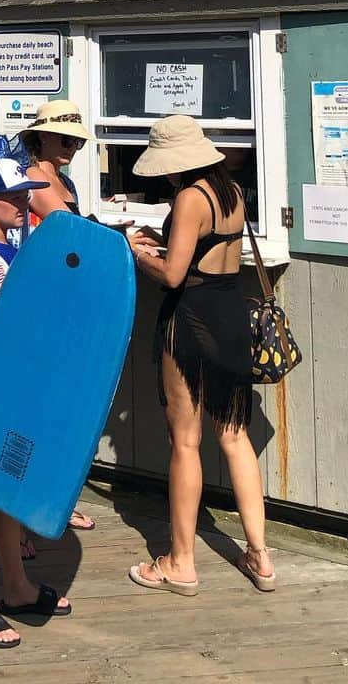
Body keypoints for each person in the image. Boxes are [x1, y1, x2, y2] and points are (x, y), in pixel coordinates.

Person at [124, 115, 275, 595]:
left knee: (185, 443)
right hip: (231, 314)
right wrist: (166, 248)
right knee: (234, 437)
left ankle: (180, 562)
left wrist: (136, 252)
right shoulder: (229, 190)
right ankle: (260, 555)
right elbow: (206, 254)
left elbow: (173, 276)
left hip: (191, 321)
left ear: (174, 165)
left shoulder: (189, 198)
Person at [0, 159, 71, 650]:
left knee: (6, 487)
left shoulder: (9, 246)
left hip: (14, 384)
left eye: (28, 194)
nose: (25, 203)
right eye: (16, 197)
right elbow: (18, 315)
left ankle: (18, 587)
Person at [20, 98, 98, 542]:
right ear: (41, 136)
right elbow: (71, 229)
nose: (71, 145)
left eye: (77, 139)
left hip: (66, 300)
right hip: (42, 302)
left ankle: (54, 501)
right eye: (64, 137)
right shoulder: (34, 178)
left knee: (60, 410)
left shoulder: (62, 178)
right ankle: (26, 516)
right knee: (38, 410)